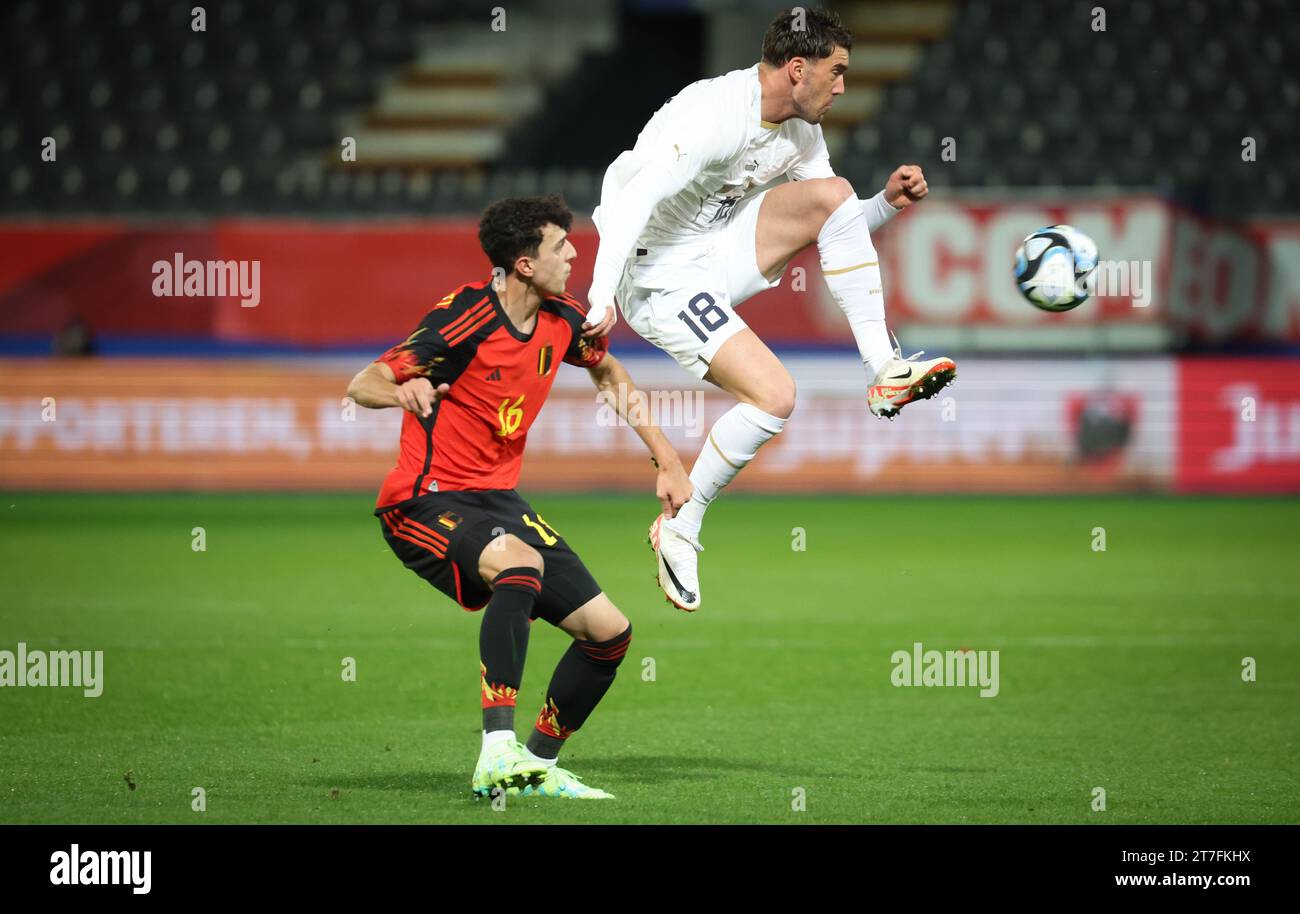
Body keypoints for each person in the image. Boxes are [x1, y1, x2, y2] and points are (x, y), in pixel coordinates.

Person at [583, 7, 956, 612]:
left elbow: (836, 221)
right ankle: (682, 523)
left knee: (833, 193)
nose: (842, 86)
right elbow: (635, 197)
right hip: (657, 276)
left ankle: (884, 369)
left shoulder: (801, 132)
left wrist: (884, 205)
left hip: (714, 247)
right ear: (798, 68)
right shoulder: (712, 114)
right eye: (836, 72)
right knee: (776, 397)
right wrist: (601, 293)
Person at [347, 195, 691, 800]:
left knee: (609, 633)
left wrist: (664, 455)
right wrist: (403, 393)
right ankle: (494, 752)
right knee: (520, 562)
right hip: (422, 500)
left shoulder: (562, 318)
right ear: (525, 264)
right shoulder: (466, 315)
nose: (575, 252)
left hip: (499, 500)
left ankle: (533, 766)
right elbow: (365, 380)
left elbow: (607, 372)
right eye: (562, 245)